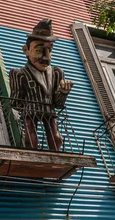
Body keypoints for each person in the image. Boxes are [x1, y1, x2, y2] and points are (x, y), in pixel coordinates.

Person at [9, 19, 74, 151]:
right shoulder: (19, 73)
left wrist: (63, 92)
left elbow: (58, 103)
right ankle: (31, 154)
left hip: (49, 111)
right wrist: (27, 105)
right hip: (30, 110)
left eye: (49, 50)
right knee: (30, 137)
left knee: (56, 138)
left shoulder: (57, 73)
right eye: (39, 51)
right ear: (26, 50)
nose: (46, 57)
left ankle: (55, 155)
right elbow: (15, 102)